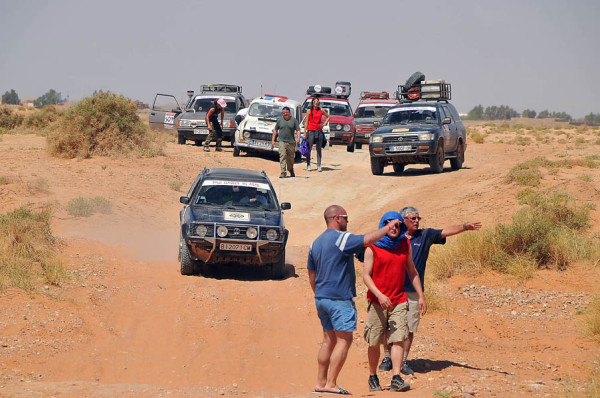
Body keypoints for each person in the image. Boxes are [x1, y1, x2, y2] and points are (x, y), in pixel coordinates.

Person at [308, 205, 402, 395]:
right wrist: (388, 227)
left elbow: (312, 273)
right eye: (346, 217)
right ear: (336, 218)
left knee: (328, 340)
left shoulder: (315, 243)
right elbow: (367, 239)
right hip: (339, 298)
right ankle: (331, 384)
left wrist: (318, 292)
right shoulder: (341, 238)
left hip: (322, 298)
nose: (347, 221)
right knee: (344, 340)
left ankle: (320, 382)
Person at [378, 206, 482, 376]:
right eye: (413, 218)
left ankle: (404, 360)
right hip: (391, 289)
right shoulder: (394, 236)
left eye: (418, 218)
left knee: (410, 327)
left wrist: (464, 227)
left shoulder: (424, 235)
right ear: (403, 220)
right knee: (387, 326)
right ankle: (387, 356)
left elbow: (445, 231)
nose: (417, 221)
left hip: (412, 291)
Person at [362, 211, 426, 392]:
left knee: (398, 339)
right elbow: (366, 276)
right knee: (374, 341)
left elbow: (412, 271)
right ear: (383, 225)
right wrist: (380, 295)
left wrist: (420, 295)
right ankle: (373, 376)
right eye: (390, 224)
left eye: (397, 225)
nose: (394, 228)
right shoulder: (372, 246)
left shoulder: (405, 244)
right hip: (377, 302)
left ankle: (396, 377)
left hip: (399, 299)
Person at [272, 106, 301, 178]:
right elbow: (275, 130)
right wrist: (273, 140)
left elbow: (298, 130)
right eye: (284, 113)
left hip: (291, 142)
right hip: (282, 141)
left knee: (290, 157)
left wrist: (298, 138)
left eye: (287, 113)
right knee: (282, 155)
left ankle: (291, 169)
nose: (285, 114)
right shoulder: (279, 120)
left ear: (289, 113)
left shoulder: (294, 120)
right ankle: (283, 172)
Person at [304, 98, 330, 172]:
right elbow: (306, 122)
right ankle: (308, 165)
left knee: (319, 149)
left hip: (318, 131)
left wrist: (324, 124)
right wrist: (305, 133)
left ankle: (319, 165)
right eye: (315, 102)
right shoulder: (309, 111)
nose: (316, 103)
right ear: (312, 103)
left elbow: (328, 117)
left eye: (317, 102)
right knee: (309, 148)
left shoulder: (321, 110)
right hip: (310, 131)